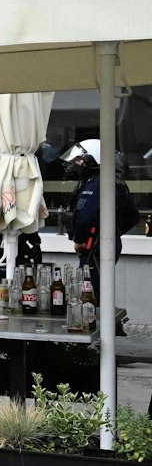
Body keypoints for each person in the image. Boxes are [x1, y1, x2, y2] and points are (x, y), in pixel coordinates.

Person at [64, 139, 142, 332]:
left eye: (80, 160)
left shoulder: (96, 184)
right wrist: (111, 234)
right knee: (97, 289)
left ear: (93, 160)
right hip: (105, 244)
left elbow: (85, 217)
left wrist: (82, 240)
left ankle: (106, 334)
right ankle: (109, 332)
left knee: (89, 292)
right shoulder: (112, 181)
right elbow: (132, 216)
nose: (76, 164)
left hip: (94, 247)